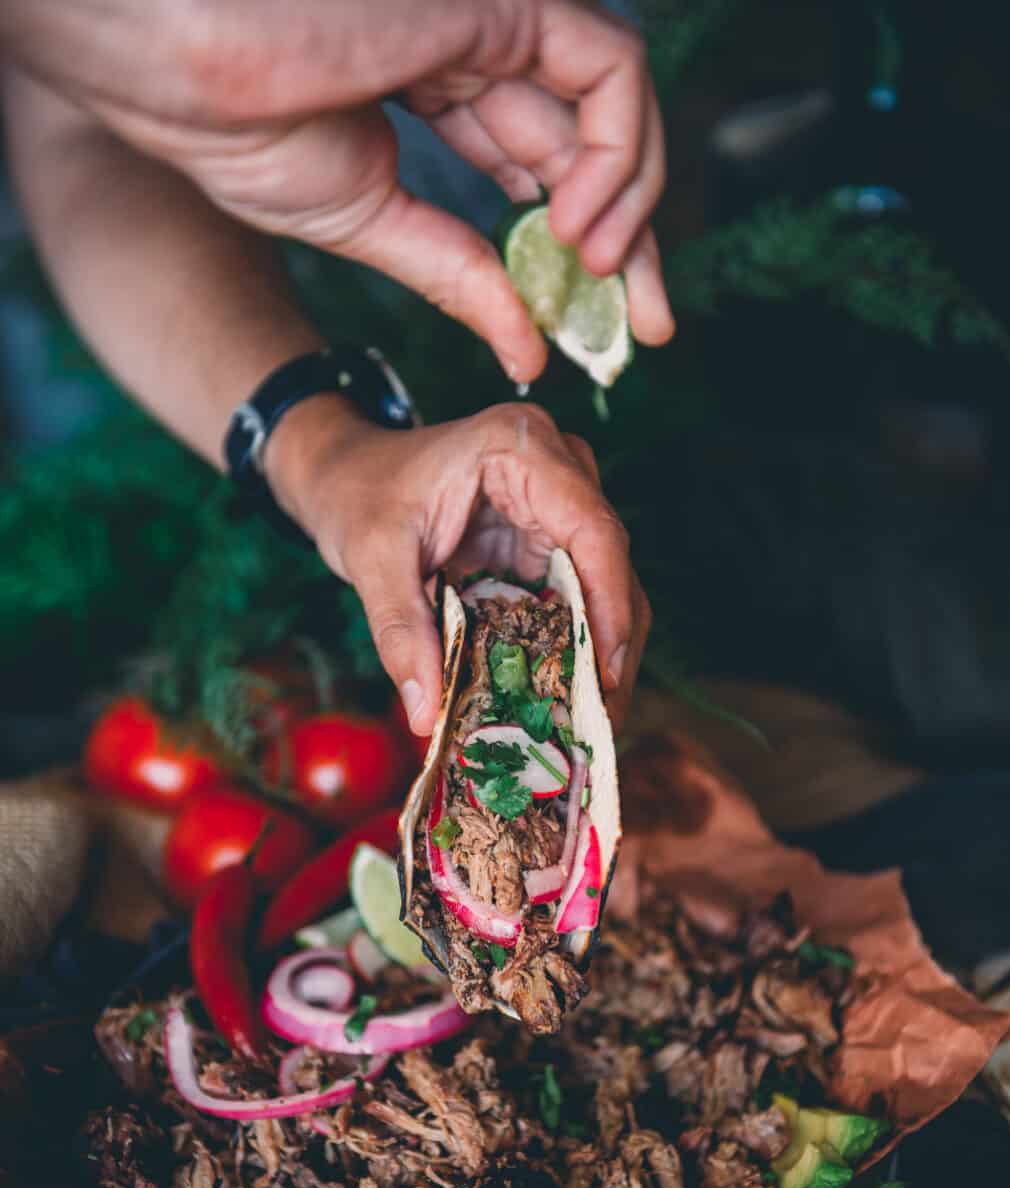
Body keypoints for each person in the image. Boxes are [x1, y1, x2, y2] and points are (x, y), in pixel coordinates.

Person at [0, 0, 674, 733]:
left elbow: (76, 122)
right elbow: (64, 110)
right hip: (103, 469)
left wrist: (327, 454)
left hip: (520, 188)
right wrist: (182, 54)